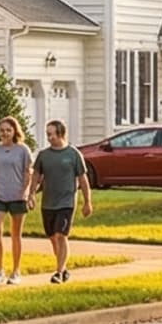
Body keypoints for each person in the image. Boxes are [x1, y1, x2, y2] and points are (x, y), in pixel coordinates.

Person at [25, 118, 94, 283]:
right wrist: (31, 195)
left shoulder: (73, 154)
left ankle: (59, 272)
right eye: (47, 134)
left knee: (60, 235)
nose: (48, 137)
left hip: (66, 202)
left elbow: (83, 179)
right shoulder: (43, 155)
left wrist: (87, 201)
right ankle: (63, 267)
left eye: (51, 134)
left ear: (60, 134)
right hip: (48, 202)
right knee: (52, 237)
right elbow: (36, 176)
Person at [0, 116, 33, 285]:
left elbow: (28, 173)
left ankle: (16, 271)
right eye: (2, 130)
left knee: (15, 234)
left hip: (17, 196)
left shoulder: (23, 150)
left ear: (14, 131)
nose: (5, 133)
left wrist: (25, 191)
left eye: (8, 130)